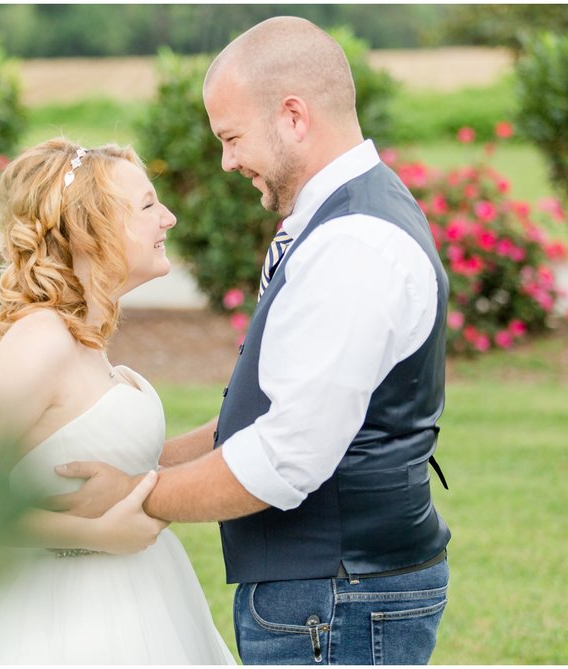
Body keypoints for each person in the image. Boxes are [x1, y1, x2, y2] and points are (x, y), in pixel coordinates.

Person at [51, 16, 452, 665]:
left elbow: (285, 457)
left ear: (293, 116)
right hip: (334, 591)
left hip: (338, 597)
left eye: (232, 137)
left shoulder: (351, 245)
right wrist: (143, 459)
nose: (227, 160)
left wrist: (133, 494)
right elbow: (271, 414)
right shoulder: (345, 216)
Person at [0, 139, 235, 664]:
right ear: (92, 227)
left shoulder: (85, 338)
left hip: (145, 600)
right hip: (66, 622)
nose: (171, 219)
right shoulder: (41, 338)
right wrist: (95, 535)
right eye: (150, 205)